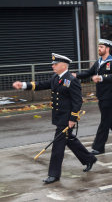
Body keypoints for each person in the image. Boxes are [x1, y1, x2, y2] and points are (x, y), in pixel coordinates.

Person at [12, 53, 97, 184]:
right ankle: (89, 159)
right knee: (69, 139)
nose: (53, 66)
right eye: (53, 64)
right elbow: (41, 84)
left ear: (64, 65)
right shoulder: (55, 78)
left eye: (55, 64)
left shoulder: (71, 80)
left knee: (58, 146)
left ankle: (54, 174)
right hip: (59, 116)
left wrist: (73, 119)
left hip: (66, 118)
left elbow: (77, 101)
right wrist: (23, 85)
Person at [72, 39, 112, 155]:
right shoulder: (98, 62)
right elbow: (88, 73)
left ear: (108, 49)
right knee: (109, 120)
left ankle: (98, 147)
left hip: (110, 96)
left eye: (101, 47)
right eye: (98, 47)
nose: (99, 49)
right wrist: (76, 75)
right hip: (101, 96)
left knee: (104, 122)